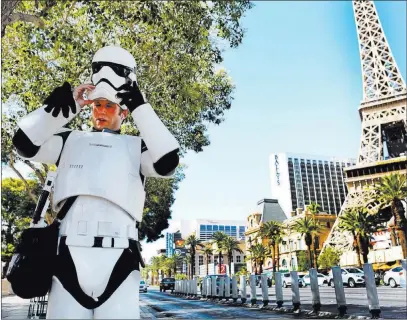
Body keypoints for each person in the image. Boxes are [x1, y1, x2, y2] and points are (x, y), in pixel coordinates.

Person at [12, 46, 180, 319]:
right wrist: (61, 109)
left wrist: (141, 108)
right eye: (97, 105)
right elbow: (24, 144)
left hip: (120, 262)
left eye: (110, 106)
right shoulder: (68, 141)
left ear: (123, 113)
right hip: (67, 258)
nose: (101, 111)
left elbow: (168, 161)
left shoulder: (137, 148)